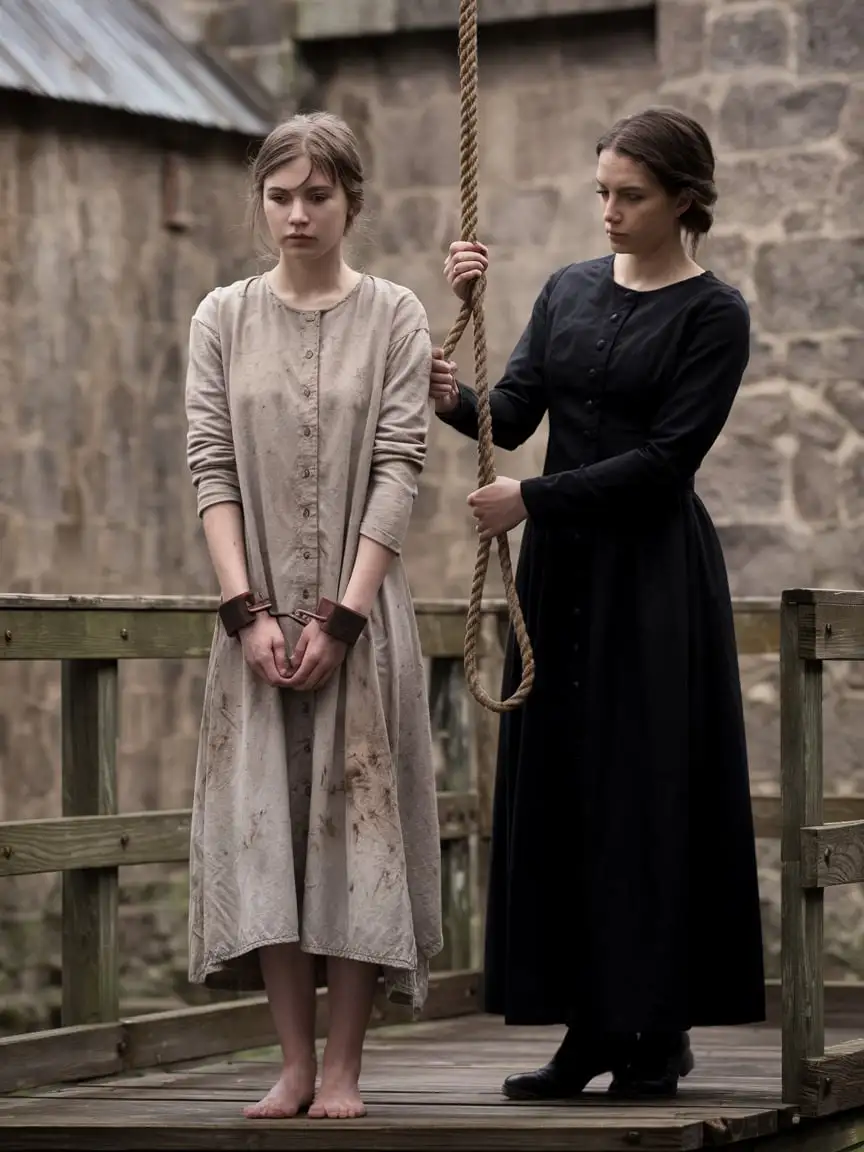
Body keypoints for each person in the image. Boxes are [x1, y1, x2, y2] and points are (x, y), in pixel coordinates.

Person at [430, 106, 765, 1100]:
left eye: (632, 196)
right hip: (561, 575)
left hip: (653, 581)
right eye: (602, 193)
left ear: (685, 202)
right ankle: (586, 1031)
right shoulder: (568, 288)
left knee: (643, 795)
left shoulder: (716, 315)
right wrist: (450, 384)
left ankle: (657, 1031)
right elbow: (517, 413)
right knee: (566, 793)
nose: (610, 212)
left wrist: (531, 499)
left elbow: (666, 464)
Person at [184, 111, 442, 1120]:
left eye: (317, 196)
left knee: (351, 832)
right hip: (252, 628)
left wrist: (341, 617)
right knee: (270, 841)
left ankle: (343, 1068)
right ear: (261, 201)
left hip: (360, 623)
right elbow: (210, 466)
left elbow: (399, 465)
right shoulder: (221, 316)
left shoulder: (397, 316)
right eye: (281, 196)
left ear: (352, 203)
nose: (297, 214)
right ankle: (289, 1064)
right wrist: (245, 611)